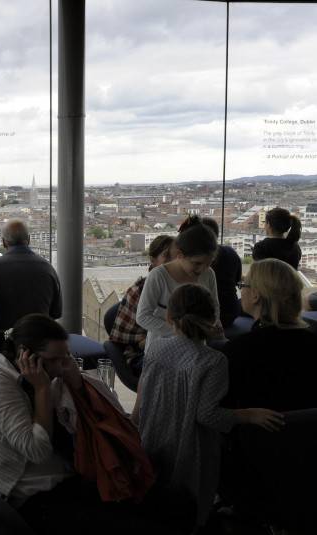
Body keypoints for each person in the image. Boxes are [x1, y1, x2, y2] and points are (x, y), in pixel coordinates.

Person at [0, 314, 160, 534]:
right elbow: (37, 451)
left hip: (60, 475)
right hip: (26, 494)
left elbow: (91, 413)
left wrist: (74, 380)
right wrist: (42, 390)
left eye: (66, 356)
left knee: (156, 502)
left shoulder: (43, 375)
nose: (62, 367)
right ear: (26, 356)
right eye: (55, 360)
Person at [135, 284, 283, 527]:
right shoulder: (212, 361)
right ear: (212, 318)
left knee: (157, 506)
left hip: (153, 437)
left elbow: (145, 392)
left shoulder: (156, 349)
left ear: (169, 317)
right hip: (189, 449)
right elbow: (207, 415)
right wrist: (249, 415)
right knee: (191, 511)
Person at [223, 259, 317, 411]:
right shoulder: (313, 342)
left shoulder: (237, 351)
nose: (241, 290)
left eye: (243, 285)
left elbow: (225, 411)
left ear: (255, 295)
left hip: (256, 434)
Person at [137, 219, 221, 352]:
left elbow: (215, 307)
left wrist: (213, 324)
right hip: (162, 350)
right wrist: (184, 332)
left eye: (208, 263)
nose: (202, 270)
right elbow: (142, 317)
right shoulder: (158, 276)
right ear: (180, 255)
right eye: (197, 263)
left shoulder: (209, 274)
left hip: (196, 349)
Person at [109, 235, 174, 371]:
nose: (172, 261)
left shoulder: (176, 287)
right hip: (139, 354)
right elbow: (125, 340)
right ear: (153, 261)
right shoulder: (139, 291)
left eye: (175, 256)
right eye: (167, 256)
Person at [0, 220, 62, 329]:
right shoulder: (47, 268)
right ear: (29, 239)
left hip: (5, 340)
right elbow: (56, 312)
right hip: (39, 339)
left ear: (3, 242)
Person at [180, 217, 242, 328]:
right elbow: (237, 280)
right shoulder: (231, 252)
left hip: (208, 318)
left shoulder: (197, 262)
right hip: (232, 310)